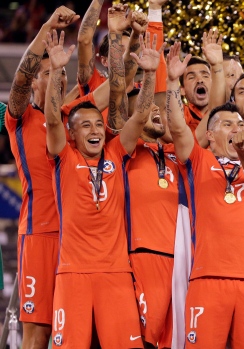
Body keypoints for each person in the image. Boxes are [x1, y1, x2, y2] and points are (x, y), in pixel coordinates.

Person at [44, 5, 162, 345]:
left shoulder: (114, 151)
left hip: (116, 273)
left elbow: (138, 119)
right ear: (73, 134)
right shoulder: (62, 157)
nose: (96, 130)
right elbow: (53, 121)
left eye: (99, 124)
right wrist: (55, 71)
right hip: (73, 275)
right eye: (86, 126)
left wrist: (151, 75)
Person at [166, 40, 244, 347]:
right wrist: (172, 81)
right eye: (227, 123)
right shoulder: (199, 160)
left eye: (240, 123)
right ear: (210, 135)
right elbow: (177, 127)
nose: (236, 128)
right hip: (206, 281)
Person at [4, 6, 79, 348]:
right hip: (39, 235)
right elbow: (19, 77)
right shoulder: (20, 118)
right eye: (48, 71)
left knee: (78, 329)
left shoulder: (77, 120)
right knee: (38, 332)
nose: (58, 77)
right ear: (36, 80)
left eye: (61, 71)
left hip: (80, 238)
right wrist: (47, 26)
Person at [125, 47, 179, 347]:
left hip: (182, 262)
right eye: (148, 110)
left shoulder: (176, 155)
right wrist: (148, 75)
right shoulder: (126, 152)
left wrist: (171, 81)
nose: (156, 113)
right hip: (142, 256)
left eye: (160, 111)